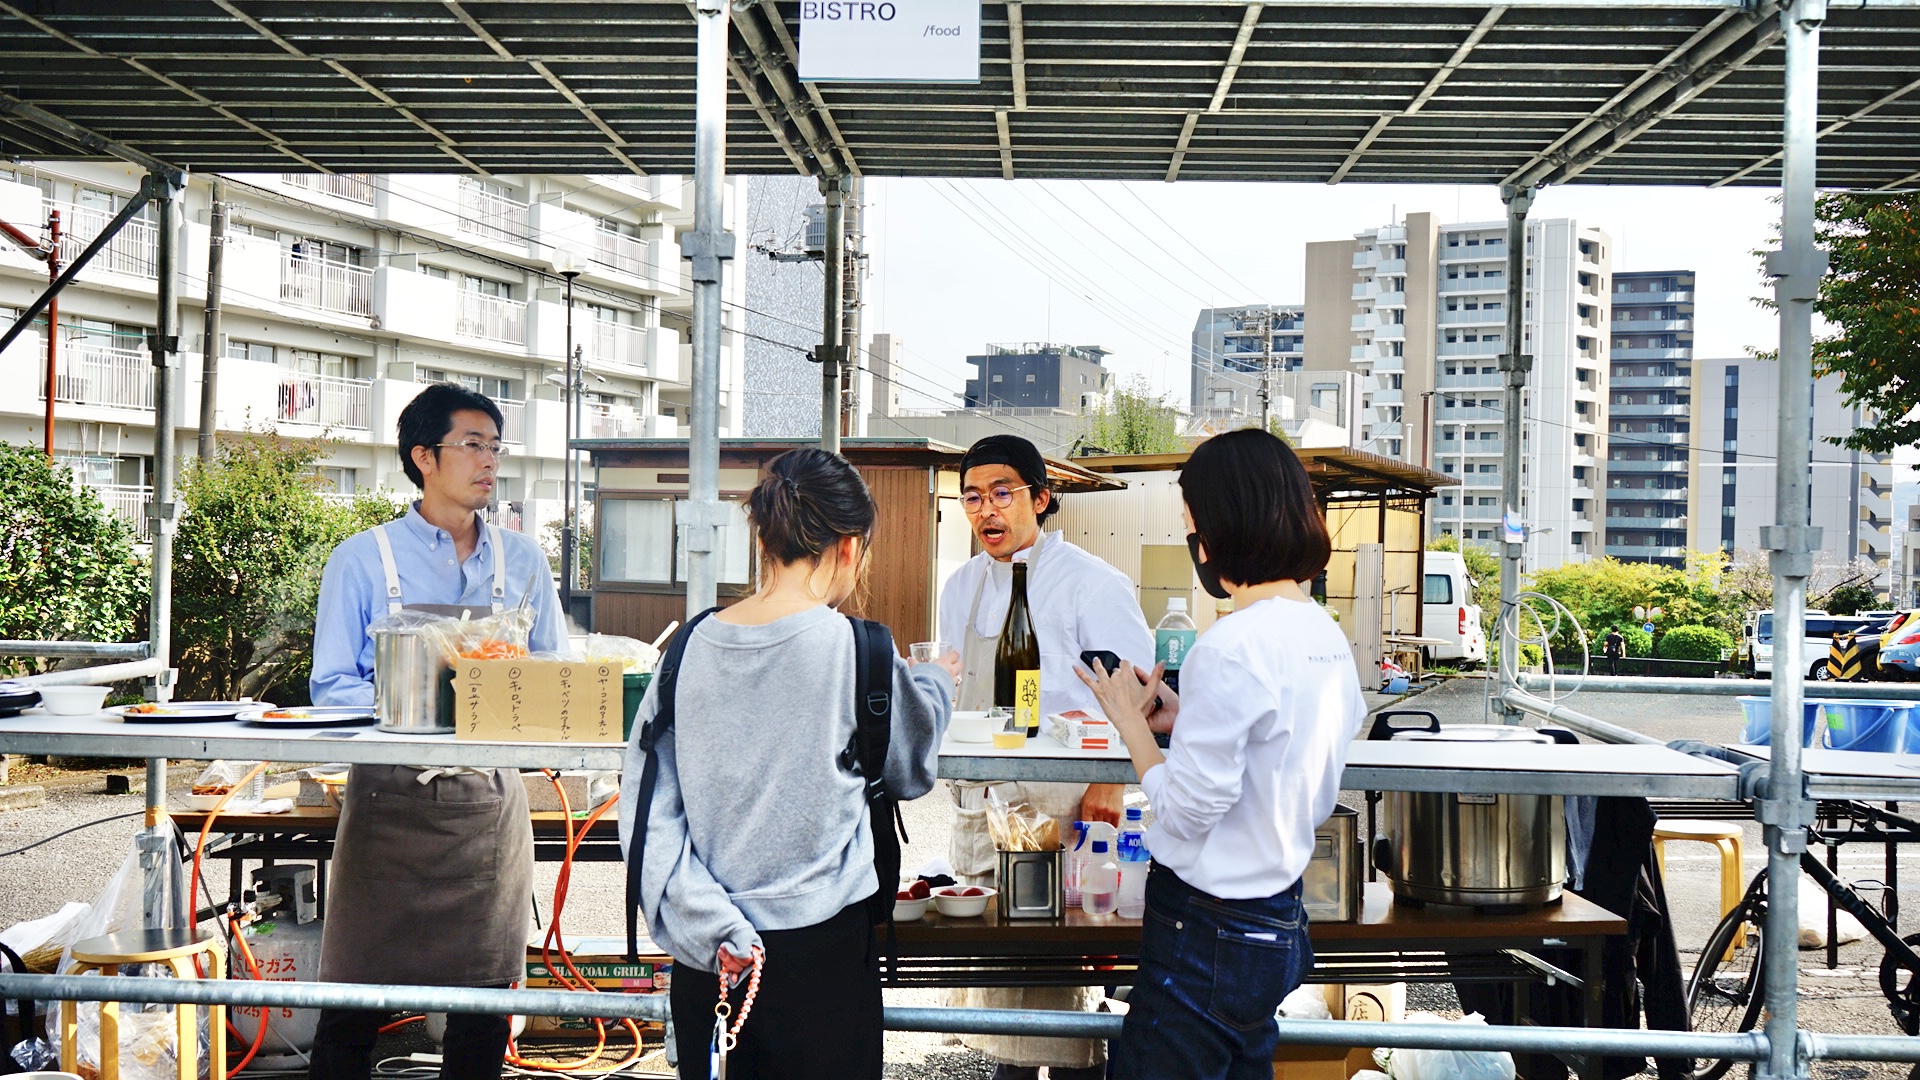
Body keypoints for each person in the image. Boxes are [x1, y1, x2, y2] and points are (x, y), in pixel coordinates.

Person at [620, 447, 956, 1079]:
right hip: (825, 955)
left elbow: (647, 816)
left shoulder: (687, 648)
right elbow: (910, 769)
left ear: (763, 540)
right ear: (850, 547)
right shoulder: (861, 650)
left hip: (714, 956)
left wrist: (718, 928)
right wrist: (936, 682)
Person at [1078, 428, 1367, 1080]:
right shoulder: (1323, 635)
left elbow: (1186, 811)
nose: (1196, 547)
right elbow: (1287, 748)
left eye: (1195, 529)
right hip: (1279, 920)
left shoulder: (1231, 644)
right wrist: (1188, 721)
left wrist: (1132, 726)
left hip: (1206, 928)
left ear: (1223, 530)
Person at [307, 383, 564, 1080]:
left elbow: (552, 677)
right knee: (350, 1005)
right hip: (386, 806)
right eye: (471, 445)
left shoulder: (525, 563)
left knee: (481, 1013)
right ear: (423, 456)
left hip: (488, 807)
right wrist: (433, 699)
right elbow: (330, 686)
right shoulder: (363, 559)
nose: (489, 461)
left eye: (495, 446)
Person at [937, 434, 1154, 1080]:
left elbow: (1139, 695)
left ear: (1041, 497)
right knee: (1001, 1007)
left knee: (1066, 1010)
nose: (986, 511)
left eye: (1002, 493)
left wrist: (1108, 791)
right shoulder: (960, 586)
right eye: (972, 497)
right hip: (985, 813)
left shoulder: (1090, 583)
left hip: (1068, 813)